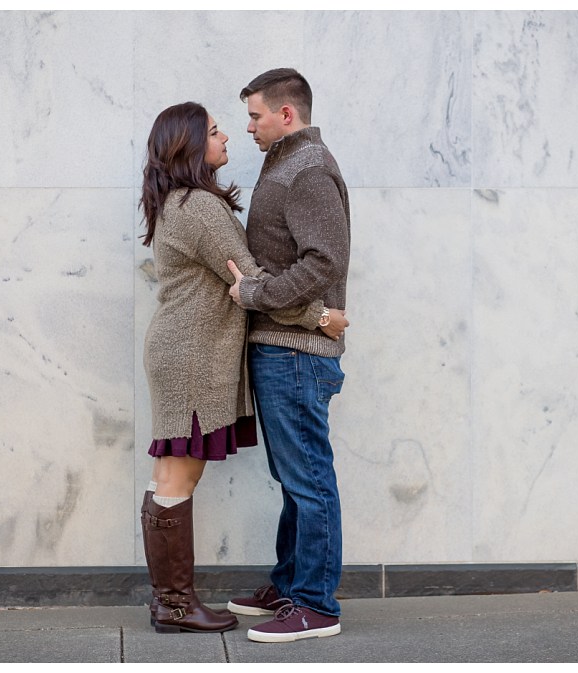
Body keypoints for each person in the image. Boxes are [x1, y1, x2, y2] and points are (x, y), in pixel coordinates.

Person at [138, 101, 347, 634]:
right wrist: (319, 314)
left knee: (171, 476)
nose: (228, 135)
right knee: (177, 477)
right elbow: (249, 280)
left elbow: (243, 281)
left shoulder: (180, 203)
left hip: (182, 351)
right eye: (213, 131)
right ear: (189, 146)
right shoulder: (201, 210)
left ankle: (172, 603)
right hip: (191, 355)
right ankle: (175, 605)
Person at [225, 68, 351, 643]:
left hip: (297, 353)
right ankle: (289, 583)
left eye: (254, 116)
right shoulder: (284, 164)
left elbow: (323, 261)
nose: (247, 127)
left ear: (285, 114)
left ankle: (316, 605)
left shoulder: (308, 171)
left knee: (309, 479)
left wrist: (256, 294)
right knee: (292, 475)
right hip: (281, 348)